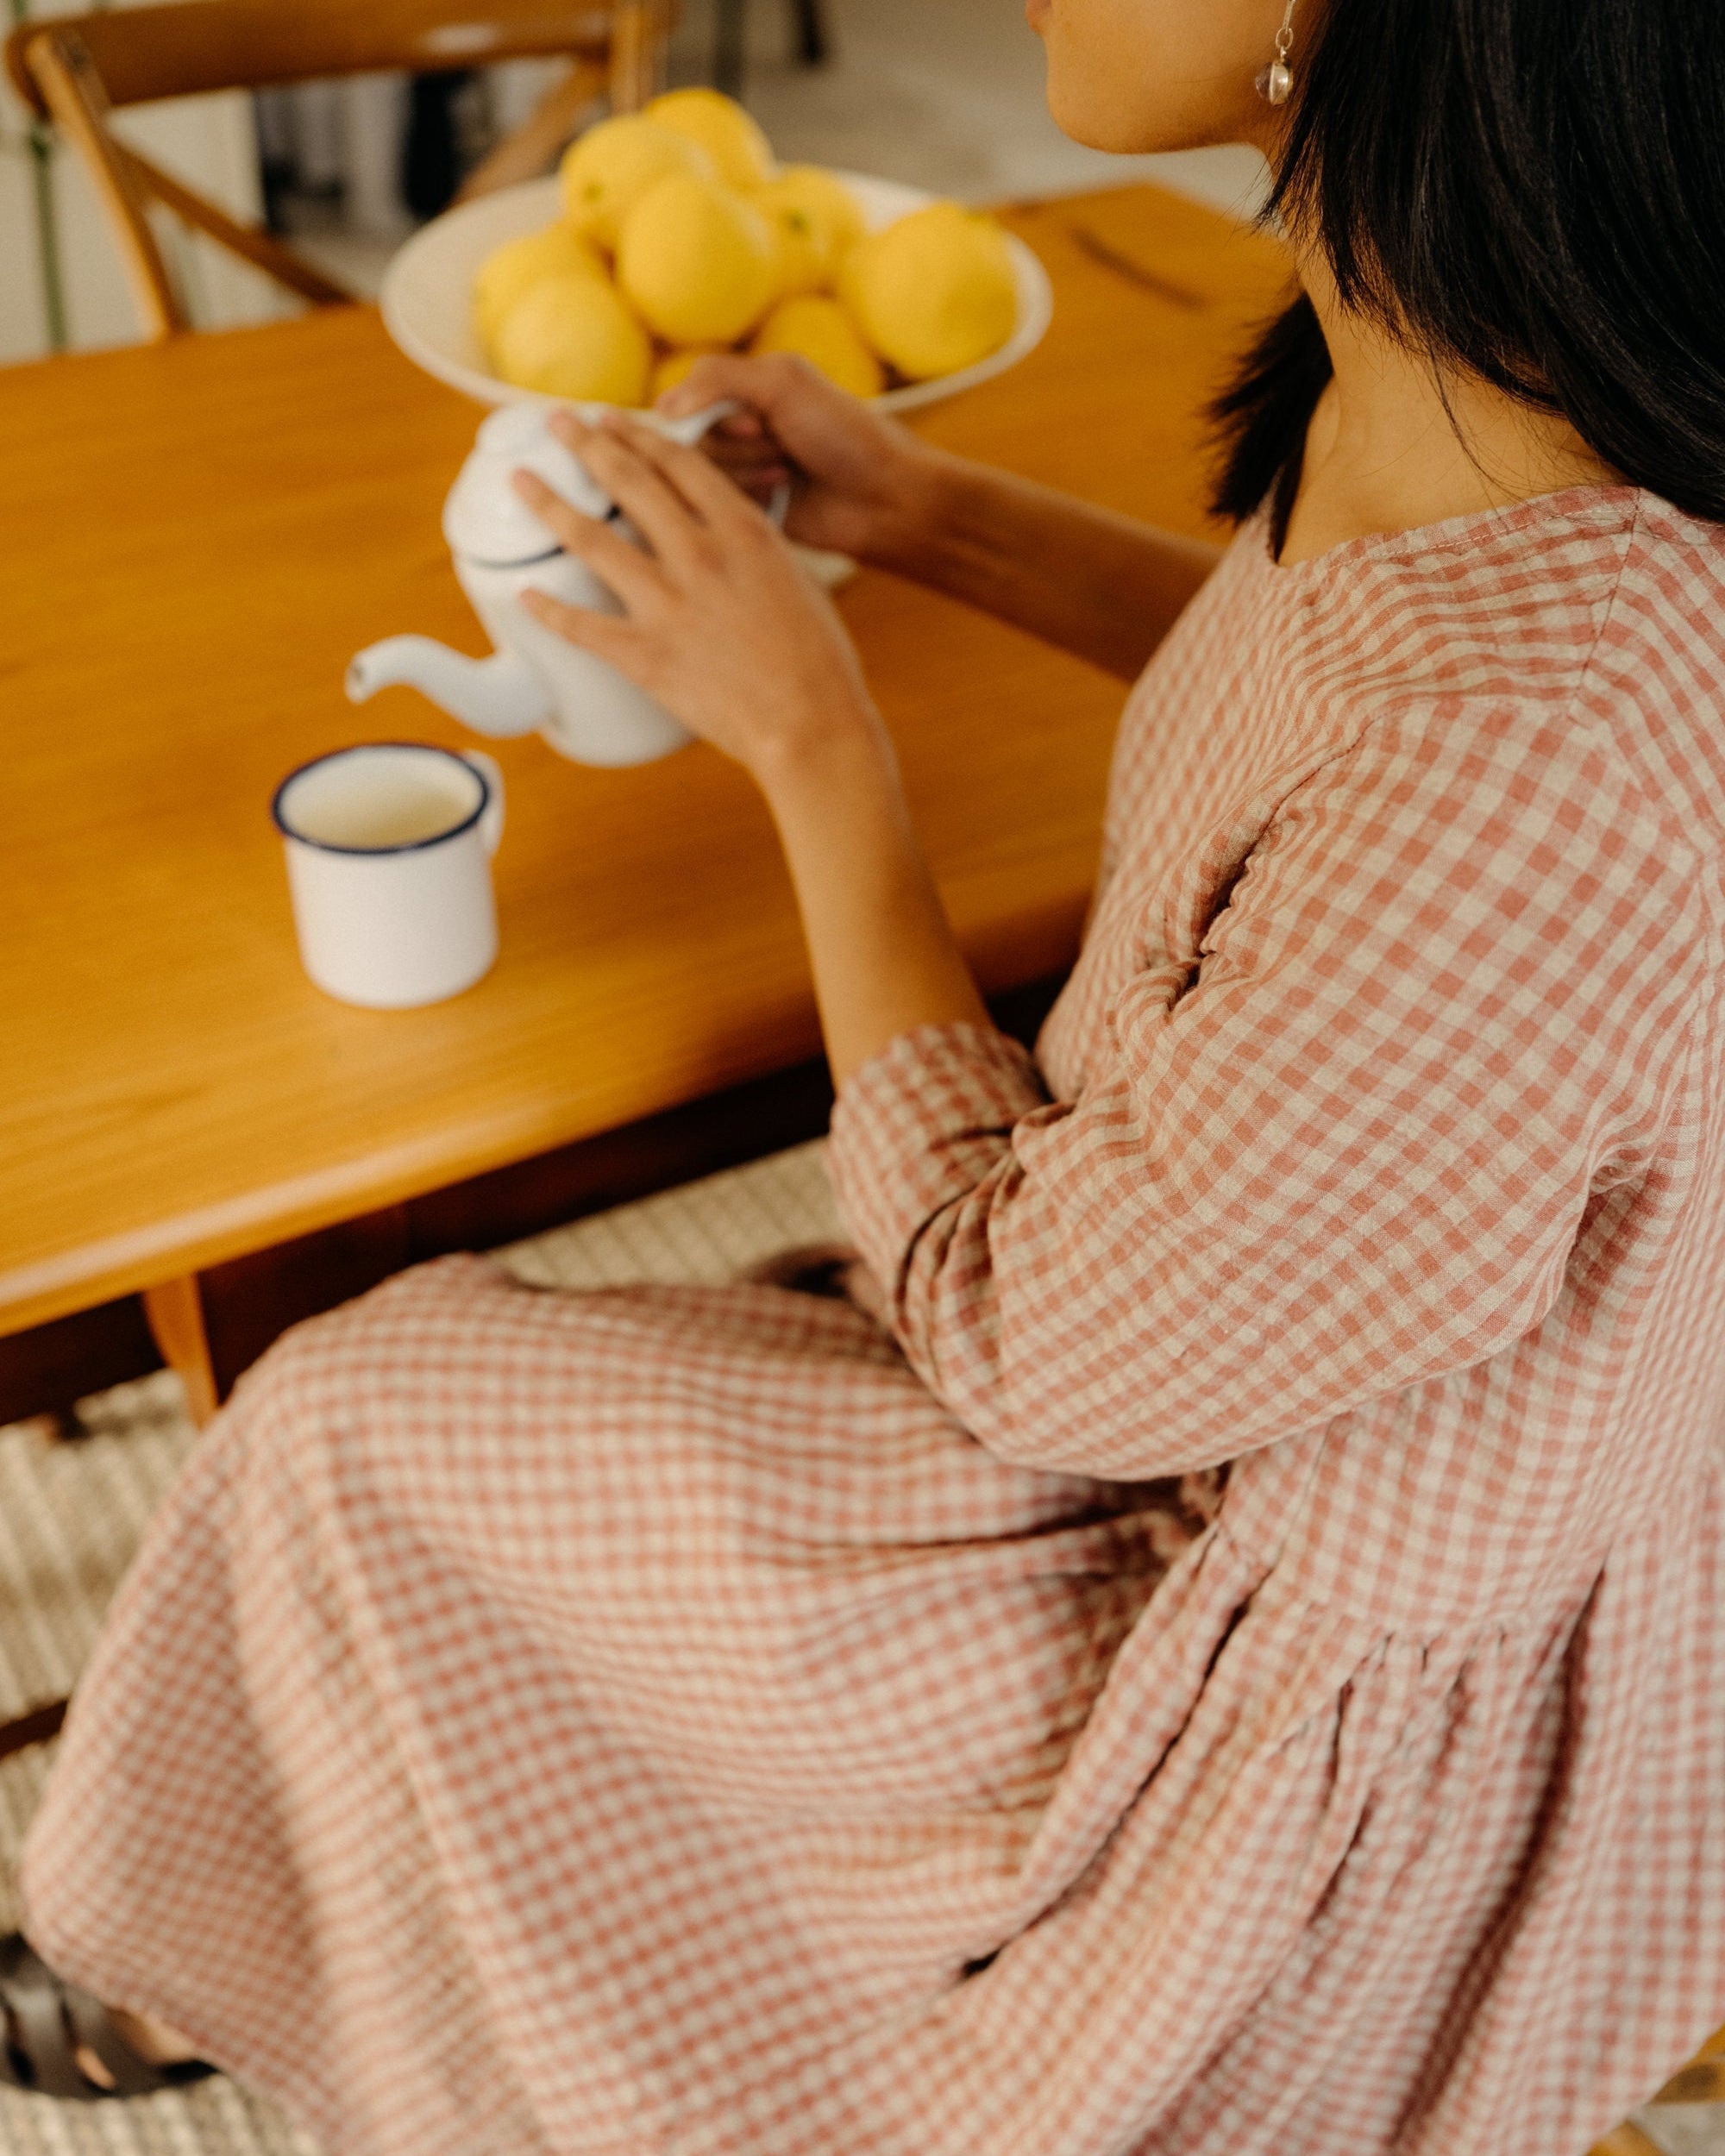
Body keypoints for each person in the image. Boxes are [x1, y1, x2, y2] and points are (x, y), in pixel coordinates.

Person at [6, 0, 1723, 2146]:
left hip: (1238, 1668)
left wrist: (812, 739)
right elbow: (1312, 693)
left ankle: (217, 1938)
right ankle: (237, 1906)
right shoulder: (1473, 395)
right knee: (386, 1444)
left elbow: (1034, 1334)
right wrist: (916, 511)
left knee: (351, 1420)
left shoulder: (1540, 747)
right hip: (1207, 1341)